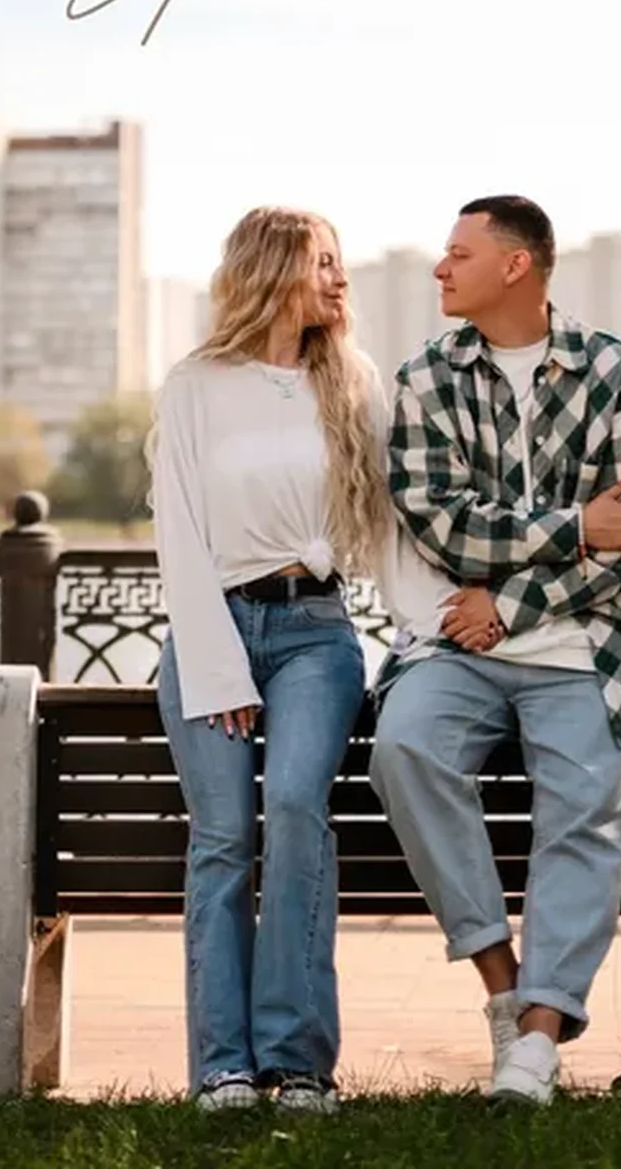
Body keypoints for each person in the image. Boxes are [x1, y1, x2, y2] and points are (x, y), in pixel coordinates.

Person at [368, 194, 621, 1106]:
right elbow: (443, 525)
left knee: (586, 805)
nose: (440, 267)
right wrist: (576, 524)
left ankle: (540, 1037)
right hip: (459, 647)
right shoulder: (426, 378)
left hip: (592, 647)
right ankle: (506, 987)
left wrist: (511, 603)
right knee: (404, 748)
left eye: (458, 253)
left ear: (516, 265)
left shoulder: (614, 372)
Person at [149, 205, 388, 1115]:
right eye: (321, 261)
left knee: (293, 809)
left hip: (315, 635)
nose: (338, 277)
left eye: (338, 261)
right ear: (271, 269)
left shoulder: (353, 382)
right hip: (214, 629)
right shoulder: (196, 385)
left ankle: (296, 1064)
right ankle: (223, 1067)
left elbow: (396, 527)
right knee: (222, 839)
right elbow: (178, 535)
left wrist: (431, 632)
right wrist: (218, 668)